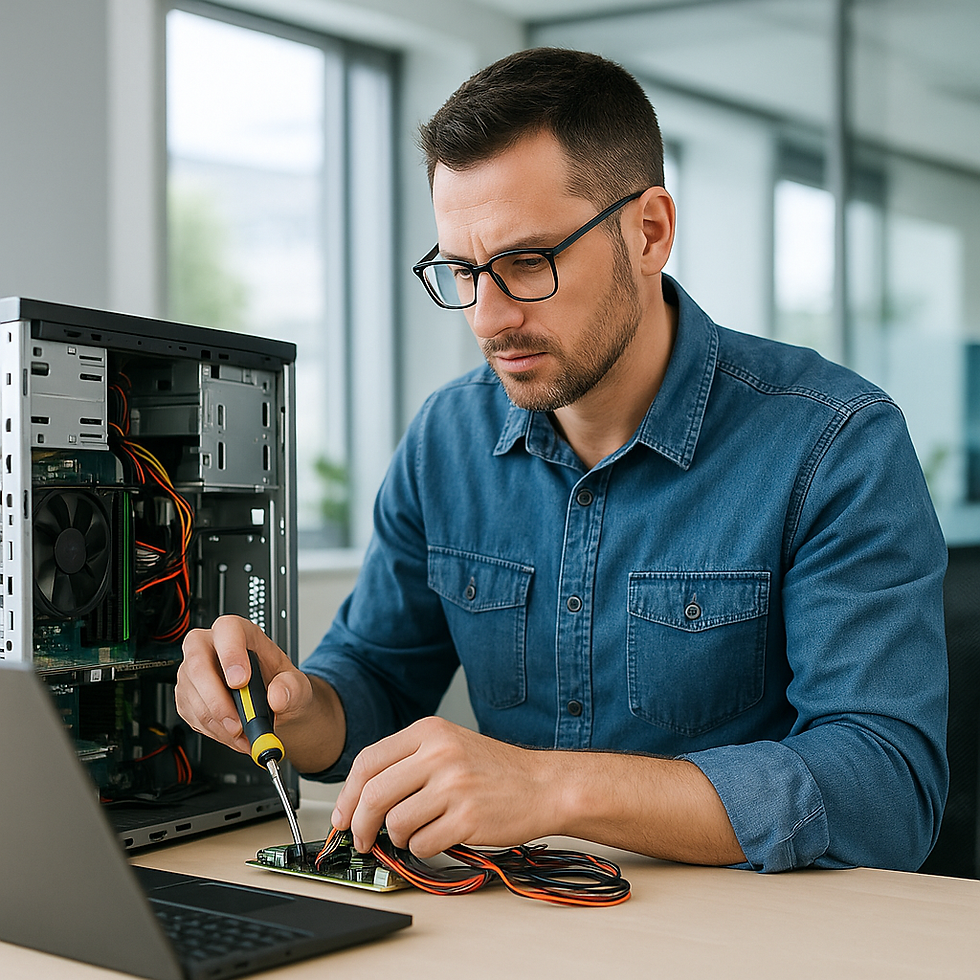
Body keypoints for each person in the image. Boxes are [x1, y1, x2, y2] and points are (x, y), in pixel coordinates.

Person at [176, 47, 948, 874]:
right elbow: (374, 683)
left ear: (650, 232)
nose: (487, 317)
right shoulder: (446, 439)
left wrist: (552, 788)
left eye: (525, 262)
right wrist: (291, 708)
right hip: (512, 924)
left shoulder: (834, 442)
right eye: (463, 271)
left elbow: (886, 789)